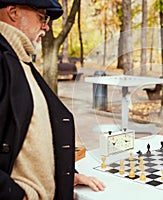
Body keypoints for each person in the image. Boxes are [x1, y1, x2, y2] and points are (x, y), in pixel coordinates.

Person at [0, 0, 105, 199]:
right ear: (13, 12)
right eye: (41, 17)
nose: (46, 26)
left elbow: (31, 142)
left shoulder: (20, 61)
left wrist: (66, 177)